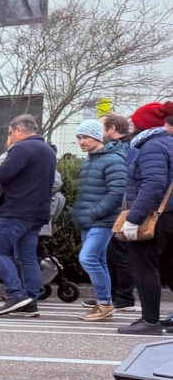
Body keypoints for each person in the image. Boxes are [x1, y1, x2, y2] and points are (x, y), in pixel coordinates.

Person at [0, 113, 57, 317]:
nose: (10, 138)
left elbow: (2, 175)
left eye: (10, 133)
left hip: (16, 211)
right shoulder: (47, 150)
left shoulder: (22, 148)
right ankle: (31, 300)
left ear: (19, 130)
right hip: (38, 212)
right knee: (27, 257)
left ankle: (16, 294)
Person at [116, 102, 173, 334]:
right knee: (169, 268)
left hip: (155, 216)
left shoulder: (152, 146)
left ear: (144, 125)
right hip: (170, 215)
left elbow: (153, 184)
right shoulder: (168, 144)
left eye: (134, 121)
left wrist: (134, 218)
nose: (131, 125)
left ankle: (149, 321)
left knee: (144, 266)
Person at [74, 120, 127, 322]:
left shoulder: (113, 159)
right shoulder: (89, 161)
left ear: (97, 137)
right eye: (79, 137)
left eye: (85, 137)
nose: (81, 141)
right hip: (89, 221)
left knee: (87, 258)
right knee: (99, 261)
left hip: (103, 221)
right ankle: (105, 303)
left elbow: (116, 192)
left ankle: (105, 304)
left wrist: (93, 213)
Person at [105, 114, 137, 309]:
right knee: (110, 253)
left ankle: (124, 297)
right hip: (115, 207)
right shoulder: (122, 148)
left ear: (112, 128)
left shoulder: (125, 149)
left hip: (120, 208)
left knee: (120, 254)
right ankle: (111, 296)